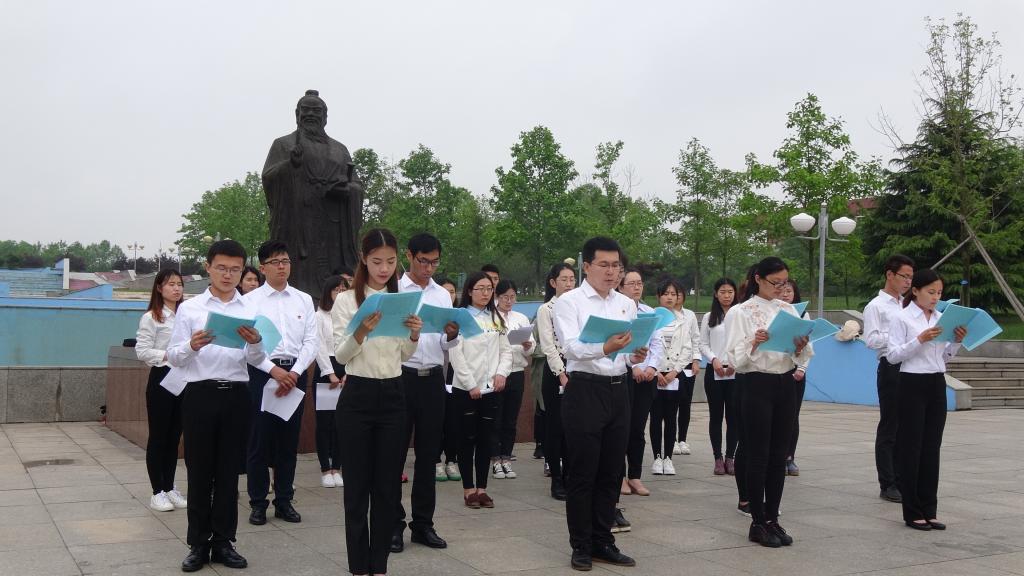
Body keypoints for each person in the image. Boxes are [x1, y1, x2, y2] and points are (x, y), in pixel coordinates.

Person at [166, 240, 268, 572]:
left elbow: (257, 359)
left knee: (228, 473)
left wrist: (256, 342)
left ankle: (224, 541)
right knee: (199, 471)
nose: (228, 275)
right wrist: (192, 345)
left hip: (237, 395)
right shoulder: (190, 308)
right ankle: (198, 543)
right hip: (200, 394)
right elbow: (174, 357)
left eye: (235, 269)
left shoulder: (249, 307)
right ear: (208, 267)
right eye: (221, 268)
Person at [332, 228, 423, 576]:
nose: (384, 268)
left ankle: (380, 566)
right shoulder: (347, 301)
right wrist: (361, 331)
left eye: (390, 261)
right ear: (363, 260)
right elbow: (341, 356)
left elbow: (404, 354)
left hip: (394, 395)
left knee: (387, 488)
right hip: (358, 395)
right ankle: (359, 567)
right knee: (356, 489)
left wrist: (413, 333)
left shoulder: (401, 299)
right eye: (376, 261)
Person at [553, 237, 647, 571]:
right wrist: (605, 347)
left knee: (611, 471)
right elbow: (570, 347)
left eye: (616, 265)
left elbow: (626, 351)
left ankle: (603, 540)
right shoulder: (569, 302)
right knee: (583, 472)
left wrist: (635, 354)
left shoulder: (626, 303)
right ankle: (581, 545)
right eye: (604, 265)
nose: (611, 272)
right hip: (585, 390)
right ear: (587, 266)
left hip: (619, 390)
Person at [724, 257, 813, 548]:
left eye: (784, 283)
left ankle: (773, 517)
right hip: (755, 383)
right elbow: (734, 359)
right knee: (758, 453)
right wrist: (755, 341)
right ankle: (758, 521)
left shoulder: (788, 309)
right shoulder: (740, 312)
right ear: (758, 279)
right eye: (775, 282)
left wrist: (800, 346)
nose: (780, 288)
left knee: (779, 454)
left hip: (784, 382)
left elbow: (802, 354)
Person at [262, 89, 364, 297]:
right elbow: (268, 178)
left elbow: (356, 185)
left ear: (325, 116)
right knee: (299, 278)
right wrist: (290, 165)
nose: (310, 114)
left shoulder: (340, 150)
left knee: (333, 280)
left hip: (333, 227)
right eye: (305, 110)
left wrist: (347, 191)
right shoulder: (284, 145)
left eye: (316, 111)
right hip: (298, 226)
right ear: (297, 114)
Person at [244, 240, 318, 527]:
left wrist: (295, 372)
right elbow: (245, 345)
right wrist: (273, 370)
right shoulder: (250, 301)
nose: (282, 267)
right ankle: (258, 503)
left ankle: (284, 500)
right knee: (259, 441)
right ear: (262, 267)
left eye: (285, 261)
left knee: (289, 441)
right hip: (262, 373)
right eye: (275, 262)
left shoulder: (303, 299)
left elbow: (311, 341)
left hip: (295, 374)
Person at [393, 233, 459, 553]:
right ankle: (393, 524)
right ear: (409, 255)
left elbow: (445, 344)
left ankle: (423, 524)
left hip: (432, 378)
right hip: (400, 377)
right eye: (423, 261)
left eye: (434, 262)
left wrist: (453, 334)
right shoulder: (394, 290)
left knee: (428, 454)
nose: (429, 268)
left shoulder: (442, 295)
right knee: (394, 455)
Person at [887, 268, 965, 531]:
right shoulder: (902, 318)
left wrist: (956, 342)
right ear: (916, 291)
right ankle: (912, 511)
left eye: (939, 293)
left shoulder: (942, 318)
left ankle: (929, 509)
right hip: (912, 382)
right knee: (912, 447)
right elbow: (893, 356)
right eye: (931, 292)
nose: (935, 297)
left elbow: (944, 357)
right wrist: (919, 339)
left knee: (932, 447)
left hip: (936, 382)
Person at [450, 272, 513, 508]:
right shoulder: (461, 317)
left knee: (487, 439)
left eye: (489, 289)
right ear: (469, 291)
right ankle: (468, 490)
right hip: (466, 389)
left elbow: (506, 350)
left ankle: (482, 488)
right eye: (480, 288)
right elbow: (456, 354)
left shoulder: (495, 318)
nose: (486, 293)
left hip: (491, 389)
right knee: (467, 439)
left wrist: (501, 373)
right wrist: (470, 384)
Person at [863, 254, 915, 503]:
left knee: (908, 427)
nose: (908, 282)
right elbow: (871, 340)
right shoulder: (876, 306)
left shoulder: (909, 305)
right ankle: (888, 482)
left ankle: (904, 478)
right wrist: (898, 335)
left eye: (911, 277)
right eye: (904, 276)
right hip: (891, 367)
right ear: (890, 275)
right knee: (890, 426)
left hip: (912, 367)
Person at [135, 269, 188, 513]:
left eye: (179, 284)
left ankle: (169, 487)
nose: (176, 289)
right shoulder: (152, 317)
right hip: (162, 378)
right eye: (170, 284)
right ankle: (157, 492)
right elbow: (142, 351)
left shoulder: (186, 315)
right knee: (159, 436)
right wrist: (169, 355)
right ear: (159, 288)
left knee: (175, 437)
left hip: (184, 378)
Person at [615, 269, 661, 507]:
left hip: (647, 378)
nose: (636, 287)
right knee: (620, 428)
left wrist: (651, 367)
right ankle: (619, 476)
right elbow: (617, 346)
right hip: (625, 376)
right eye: (631, 283)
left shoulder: (649, 312)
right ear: (620, 287)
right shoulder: (616, 311)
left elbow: (657, 343)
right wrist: (634, 367)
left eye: (639, 283)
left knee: (638, 429)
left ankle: (635, 475)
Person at [648, 278, 695, 478]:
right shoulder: (651, 318)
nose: (669, 297)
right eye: (666, 294)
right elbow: (647, 346)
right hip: (654, 374)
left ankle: (668, 458)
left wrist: (675, 371)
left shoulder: (683, 320)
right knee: (655, 418)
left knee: (671, 417)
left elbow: (687, 348)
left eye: (673, 294)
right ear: (659, 296)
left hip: (675, 376)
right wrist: (656, 372)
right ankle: (657, 457)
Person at [537, 263, 575, 501]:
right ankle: (556, 478)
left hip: (577, 369)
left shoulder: (578, 306)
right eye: (564, 279)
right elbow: (548, 345)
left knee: (573, 427)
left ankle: (571, 475)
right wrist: (561, 373)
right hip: (555, 372)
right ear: (553, 283)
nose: (569, 284)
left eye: (572, 279)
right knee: (555, 427)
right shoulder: (546, 309)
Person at [491, 279, 533, 479]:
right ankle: (495, 459)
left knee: (510, 418)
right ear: (497, 297)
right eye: (505, 297)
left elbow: (531, 346)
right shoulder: (490, 317)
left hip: (517, 372)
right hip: (497, 373)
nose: (509, 301)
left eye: (512, 297)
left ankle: (507, 458)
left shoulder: (521, 318)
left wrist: (527, 345)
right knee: (496, 418)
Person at [700, 278, 739, 476]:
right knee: (716, 416)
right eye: (722, 292)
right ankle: (718, 458)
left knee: (734, 416)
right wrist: (714, 359)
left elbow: (745, 342)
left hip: (735, 372)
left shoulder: (740, 315)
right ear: (716, 294)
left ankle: (731, 457)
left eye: (730, 292)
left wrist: (735, 362)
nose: (726, 295)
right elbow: (703, 344)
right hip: (714, 371)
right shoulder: (709, 317)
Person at [314, 275, 346, 488]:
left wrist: (348, 372)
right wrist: (330, 374)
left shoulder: (349, 315)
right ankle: (326, 469)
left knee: (342, 422)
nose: (340, 293)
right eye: (337, 290)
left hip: (346, 369)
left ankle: (338, 467)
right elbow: (318, 346)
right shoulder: (319, 316)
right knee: (325, 423)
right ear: (328, 292)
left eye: (344, 290)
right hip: (326, 369)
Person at [778, 279, 807, 477]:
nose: (786, 294)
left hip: (797, 369)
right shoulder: (774, 313)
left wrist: (802, 368)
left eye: (789, 291)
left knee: (792, 416)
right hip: (777, 368)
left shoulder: (802, 314)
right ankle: (777, 456)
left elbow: (809, 344)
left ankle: (789, 457)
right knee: (778, 415)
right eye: (782, 290)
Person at [670, 284, 702, 458]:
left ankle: (683, 438)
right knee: (672, 403)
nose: (676, 297)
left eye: (679, 294)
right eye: (673, 294)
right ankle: (672, 439)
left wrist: (696, 360)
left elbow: (695, 338)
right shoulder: (666, 314)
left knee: (685, 403)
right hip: (671, 365)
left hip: (688, 364)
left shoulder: (689, 315)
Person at [436, 277, 461, 482]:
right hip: (438, 374)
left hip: (457, 375)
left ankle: (451, 460)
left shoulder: (460, 317)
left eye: (452, 292)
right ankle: (436, 461)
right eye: (445, 291)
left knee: (454, 421)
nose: (448, 296)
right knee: (436, 422)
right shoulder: (434, 319)